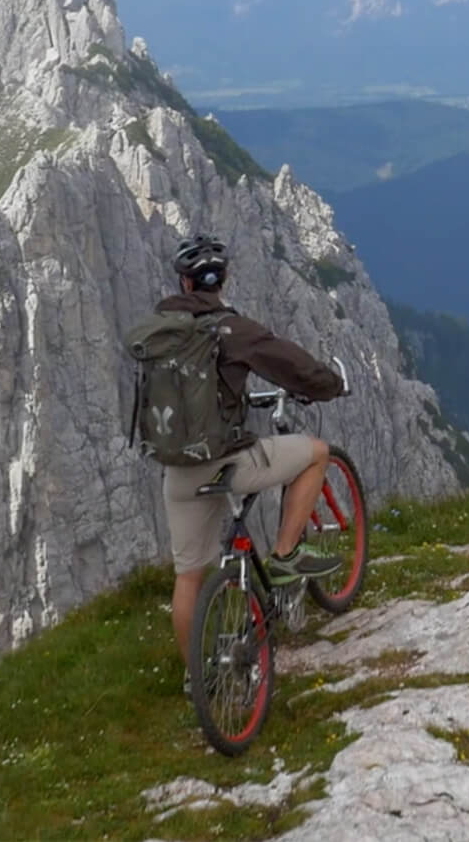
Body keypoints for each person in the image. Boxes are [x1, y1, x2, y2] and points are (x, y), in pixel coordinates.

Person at [136, 234, 346, 666]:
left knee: (188, 577)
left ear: (185, 283)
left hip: (177, 470)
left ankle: (200, 680)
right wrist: (331, 385)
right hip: (224, 462)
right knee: (317, 453)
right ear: (223, 280)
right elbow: (293, 365)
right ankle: (287, 553)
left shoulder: (160, 329)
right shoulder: (233, 330)